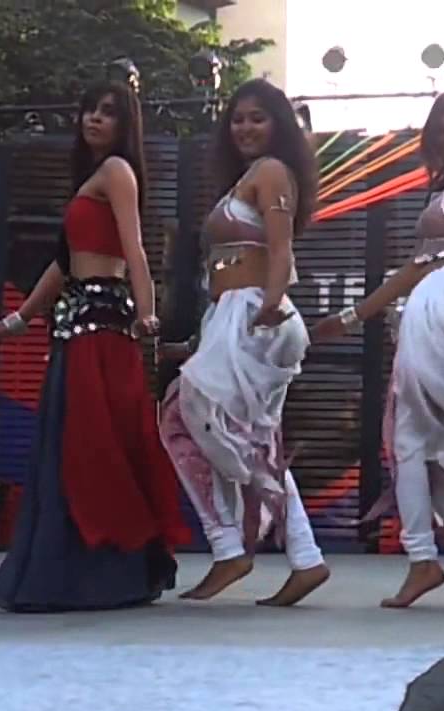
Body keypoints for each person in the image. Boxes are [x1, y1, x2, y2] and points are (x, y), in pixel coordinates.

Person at [0, 79, 189, 612]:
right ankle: (73, 574)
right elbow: (64, 263)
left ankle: (107, 575)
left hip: (105, 329)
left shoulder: (117, 171)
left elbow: (135, 247)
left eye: (107, 112)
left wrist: (148, 313)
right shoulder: (89, 179)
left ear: (124, 123)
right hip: (76, 330)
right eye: (89, 109)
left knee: (96, 448)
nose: (94, 118)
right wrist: (16, 322)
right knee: (72, 447)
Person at [312, 90, 444, 609]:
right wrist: (351, 317)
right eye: (442, 129)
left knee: (408, 441)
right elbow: (411, 270)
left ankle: (424, 560)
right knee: (418, 450)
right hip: (428, 308)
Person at [159, 78, 330, 607]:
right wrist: (202, 338)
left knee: (184, 416)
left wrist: (269, 306)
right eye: (237, 118)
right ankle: (304, 557)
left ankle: (230, 548)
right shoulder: (247, 178)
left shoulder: (272, 172)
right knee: (252, 438)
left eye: (257, 117)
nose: (245, 127)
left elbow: (281, 249)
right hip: (234, 315)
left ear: (278, 124)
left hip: (256, 313)